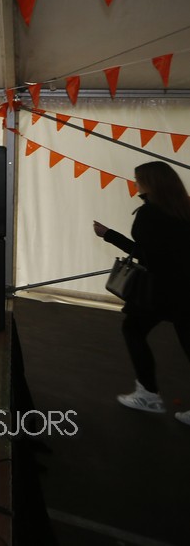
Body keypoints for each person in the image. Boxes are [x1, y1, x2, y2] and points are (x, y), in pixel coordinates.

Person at [92, 160, 190, 424]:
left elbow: (146, 256)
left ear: (150, 183)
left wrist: (109, 235)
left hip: (162, 292)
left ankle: (147, 395)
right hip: (184, 290)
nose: (135, 184)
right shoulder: (184, 209)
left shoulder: (150, 214)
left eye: (138, 179)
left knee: (133, 331)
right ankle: (147, 393)